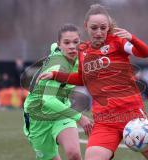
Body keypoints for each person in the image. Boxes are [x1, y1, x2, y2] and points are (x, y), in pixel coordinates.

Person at [37, 4, 148, 160]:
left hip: (133, 117)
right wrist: (54, 74)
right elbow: (82, 79)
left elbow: (145, 53)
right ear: (86, 26)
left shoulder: (118, 42)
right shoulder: (82, 51)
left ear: (108, 27)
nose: (98, 32)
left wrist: (132, 38)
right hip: (104, 121)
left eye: (102, 27)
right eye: (94, 28)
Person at [23, 24, 92, 160]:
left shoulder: (75, 56)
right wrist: (80, 118)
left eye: (75, 42)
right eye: (66, 43)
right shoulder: (59, 65)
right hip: (38, 117)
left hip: (62, 111)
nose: (72, 46)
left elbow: (53, 45)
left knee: (74, 154)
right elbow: (48, 100)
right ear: (60, 46)